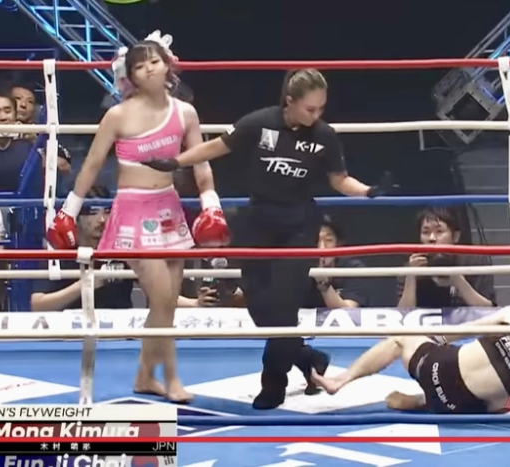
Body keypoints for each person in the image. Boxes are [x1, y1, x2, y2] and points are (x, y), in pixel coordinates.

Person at [143, 68, 395, 409]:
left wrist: (368, 191)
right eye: (310, 108)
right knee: (261, 309)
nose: (316, 115)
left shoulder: (324, 136)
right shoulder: (260, 122)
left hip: (299, 226)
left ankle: (273, 382)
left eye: (321, 108)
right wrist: (175, 161)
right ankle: (308, 357)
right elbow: (216, 147)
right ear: (290, 101)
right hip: (258, 222)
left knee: (283, 306)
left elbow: (339, 179)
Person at [46, 31, 230, 404]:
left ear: (168, 65)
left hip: (169, 206)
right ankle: (172, 379)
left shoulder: (185, 113)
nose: (148, 69)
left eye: (154, 61)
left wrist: (212, 205)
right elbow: (91, 166)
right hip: (133, 211)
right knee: (162, 299)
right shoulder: (118, 115)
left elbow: (201, 164)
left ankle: (145, 377)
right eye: (140, 65)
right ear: (129, 75)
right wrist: (68, 212)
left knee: (166, 303)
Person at [311, 291, 510, 414]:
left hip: (435, 370)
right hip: (462, 406)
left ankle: (340, 380)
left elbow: (466, 328)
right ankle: (424, 401)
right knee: (502, 397)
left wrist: (433, 341)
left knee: (402, 337)